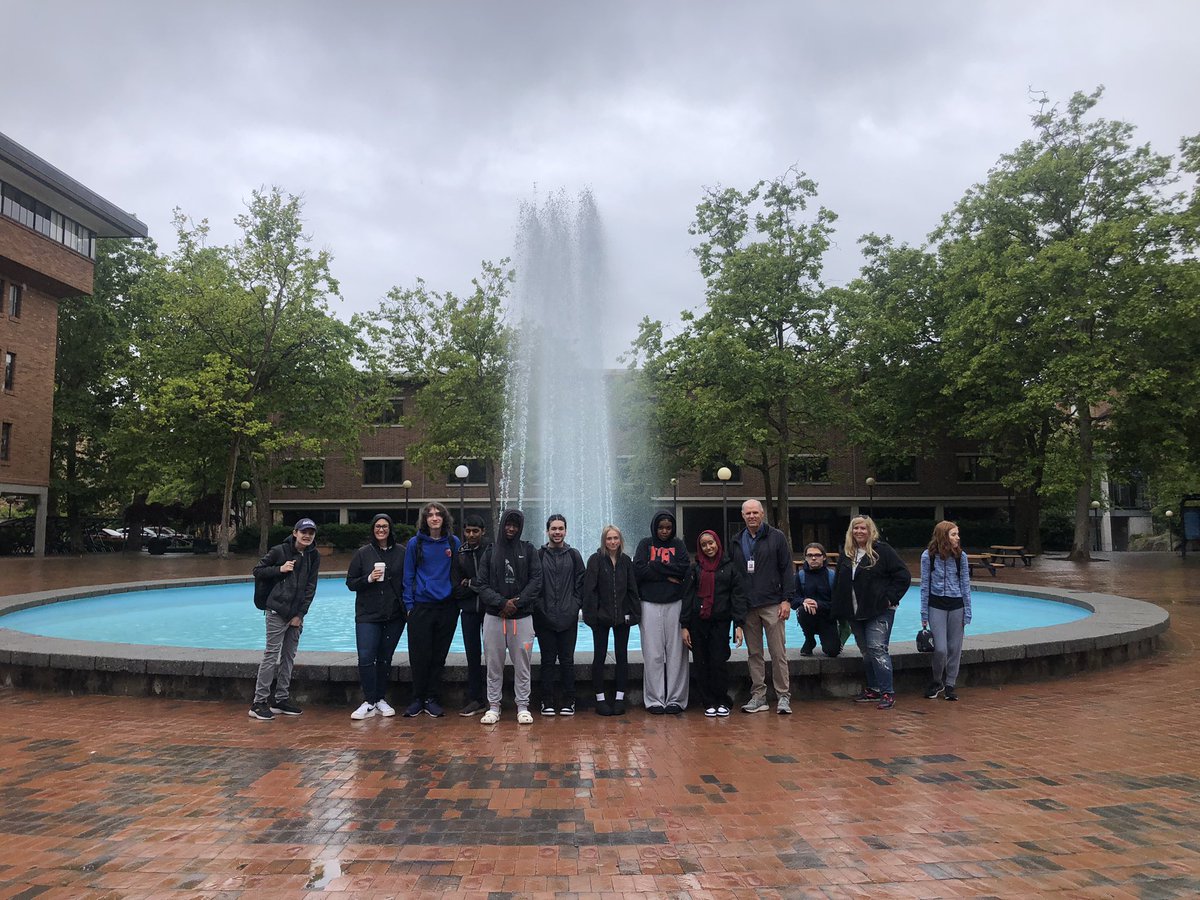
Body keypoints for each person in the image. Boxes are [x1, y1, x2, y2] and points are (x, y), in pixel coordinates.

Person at [832, 515, 912, 710]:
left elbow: (903, 576)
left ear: (870, 531)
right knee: (866, 652)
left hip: (879, 610)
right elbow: (839, 582)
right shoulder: (847, 553)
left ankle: (887, 692)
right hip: (855, 611)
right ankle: (874, 688)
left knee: (877, 649)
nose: (859, 531)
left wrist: (890, 598)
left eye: (863, 528)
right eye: (856, 528)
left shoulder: (882, 551)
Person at [473, 509, 543, 725]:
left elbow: (536, 581)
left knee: (523, 663)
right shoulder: (490, 552)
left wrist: (516, 603)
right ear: (502, 525)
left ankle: (523, 705)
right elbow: (481, 584)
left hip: (521, 618)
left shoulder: (529, 550)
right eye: (508, 524)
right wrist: (502, 603)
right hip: (494, 617)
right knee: (494, 662)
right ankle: (493, 706)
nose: (511, 529)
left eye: (515, 525)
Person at [249, 517, 321, 720]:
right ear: (295, 532)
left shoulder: (313, 556)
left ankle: (280, 699)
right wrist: (279, 569)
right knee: (271, 655)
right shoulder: (279, 551)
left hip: (295, 614)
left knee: (289, 656)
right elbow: (257, 571)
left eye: (311, 533)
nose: (307, 536)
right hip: (276, 611)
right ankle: (258, 702)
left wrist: (300, 615)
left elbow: (310, 587)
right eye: (303, 532)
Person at [729, 499, 795, 715]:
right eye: (748, 513)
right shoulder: (737, 540)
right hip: (748, 606)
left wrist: (787, 599)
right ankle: (758, 695)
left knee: (778, 653)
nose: (752, 516)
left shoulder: (776, 537)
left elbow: (786, 569)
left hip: (772, 603)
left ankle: (783, 696)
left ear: (763, 514)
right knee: (754, 653)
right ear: (742, 516)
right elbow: (734, 575)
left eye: (755, 512)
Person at [401, 502, 461, 718]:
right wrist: (409, 605)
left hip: (447, 608)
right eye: (430, 515)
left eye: (438, 514)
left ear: (444, 519)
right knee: (419, 656)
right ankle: (417, 699)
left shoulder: (453, 543)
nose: (434, 518)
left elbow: (459, 572)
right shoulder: (414, 544)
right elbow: (408, 575)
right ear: (424, 520)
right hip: (421, 606)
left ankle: (432, 698)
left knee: (439, 656)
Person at [345, 513, 407, 720]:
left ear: (390, 529)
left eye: (385, 526)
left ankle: (380, 698)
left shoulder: (401, 553)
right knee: (365, 657)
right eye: (377, 526)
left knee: (384, 658)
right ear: (373, 529)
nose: (381, 530)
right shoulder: (363, 553)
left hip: (394, 615)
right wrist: (369, 578)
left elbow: (408, 581)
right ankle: (369, 700)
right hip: (367, 614)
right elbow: (351, 583)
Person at [680, 530, 747, 717]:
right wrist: (684, 626)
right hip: (697, 622)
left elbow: (737, 597)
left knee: (718, 661)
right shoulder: (695, 569)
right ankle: (707, 701)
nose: (708, 547)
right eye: (704, 545)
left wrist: (739, 624)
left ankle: (722, 700)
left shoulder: (730, 568)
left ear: (717, 543)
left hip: (720, 622)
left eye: (711, 543)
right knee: (701, 662)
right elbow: (687, 597)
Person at [633, 510, 691, 714]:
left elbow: (684, 569)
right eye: (661, 527)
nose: (664, 531)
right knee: (653, 653)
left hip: (675, 603)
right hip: (649, 604)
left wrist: (655, 567)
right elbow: (638, 570)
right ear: (654, 528)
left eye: (668, 527)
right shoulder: (644, 544)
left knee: (677, 653)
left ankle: (676, 699)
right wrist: (667, 573)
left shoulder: (679, 545)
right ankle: (655, 699)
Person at [582, 524, 641, 716]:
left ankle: (619, 698)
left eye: (616, 538)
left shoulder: (626, 562)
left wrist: (634, 615)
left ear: (620, 540)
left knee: (622, 656)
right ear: (604, 540)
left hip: (622, 618)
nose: (613, 542)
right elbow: (589, 590)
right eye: (609, 538)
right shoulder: (595, 560)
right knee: (599, 656)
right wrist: (592, 617)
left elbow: (632, 589)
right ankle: (600, 699)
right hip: (601, 619)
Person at [536, 514, 585, 716]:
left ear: (566, 530)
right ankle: (546, 700)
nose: (557, 532)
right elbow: (534, 583)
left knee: (567, 660)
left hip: (568, 616)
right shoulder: (538, 555)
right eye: (553, 528)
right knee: (547, 660)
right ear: (547, 530)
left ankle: (569, 699)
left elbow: (580, 583)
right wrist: (540, 608)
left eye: (560, 528)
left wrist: (574, 607)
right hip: (544, 616)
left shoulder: (573, 555)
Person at [920, 520, 972, 702]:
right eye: (954, 534)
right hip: (936, 605)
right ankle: (936, 680)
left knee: (954, 648)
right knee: (940, 649)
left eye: (957, 534)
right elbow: (924, 585)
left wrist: (968, 611)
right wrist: (924, 614)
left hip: (957, 605)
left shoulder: (961, 557)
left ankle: (950, 683)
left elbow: (965, 585)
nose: (958, 538)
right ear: (944, 536)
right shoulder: (928, 556)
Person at [454, 514, 489, 716]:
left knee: (493, 656)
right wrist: (476, 585)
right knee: (472, 656)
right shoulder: (460, 554)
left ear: (483, 532)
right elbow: (456, 587)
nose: (471, 534)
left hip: (490, 611)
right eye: (468, 531)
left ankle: (494, 699)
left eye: (476, 531)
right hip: (468, 612)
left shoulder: (491, 551)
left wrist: (470, 582)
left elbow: (492, 582)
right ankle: (475, 699)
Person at [796, 542, 841, 658]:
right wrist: (804, 601)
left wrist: (818, 604)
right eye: (810, 555)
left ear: (824, 557)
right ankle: (809, 639)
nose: (813, 558)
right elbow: (793, 599)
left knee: (832, 651)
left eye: (817, 555)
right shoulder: (800, 576)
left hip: (828, 618)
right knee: (802, 610)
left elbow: (839, 602)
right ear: (805, 558)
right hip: (808, 616)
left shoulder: (832, 576)